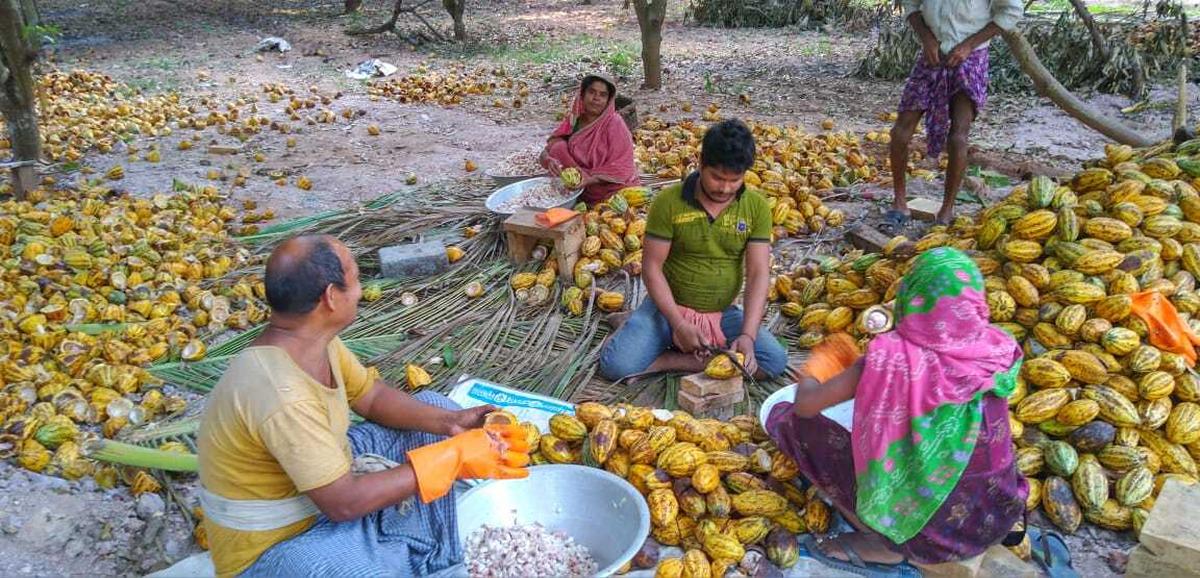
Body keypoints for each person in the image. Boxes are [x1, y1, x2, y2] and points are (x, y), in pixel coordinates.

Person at [197, 235, 529, 578]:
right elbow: (344, 503)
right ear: (330, 297)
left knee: (431, 408)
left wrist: (451, 422)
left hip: (323, 480)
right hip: (279, 543)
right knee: (360, 570)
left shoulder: (312, 342)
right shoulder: (283, 395)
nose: (361, 290)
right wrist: (450, 460)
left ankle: (411, 545)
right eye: (355, 279)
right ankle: (393, 548)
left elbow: (370, 396)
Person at [766, 247, 1027, 572]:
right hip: (993, 517)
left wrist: (818, 366)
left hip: (926, 537)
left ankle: (883, 542)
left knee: (788, 419)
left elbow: (806, 406)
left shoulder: (888, 359)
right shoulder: (996, 350)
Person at [598, 119, 787, 381]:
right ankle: (643, 324)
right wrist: (679, 323)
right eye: (717, 177)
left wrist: (747, 335)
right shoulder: (669, 202)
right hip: (668, 310)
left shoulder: (756, 207)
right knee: (616, 366)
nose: (725, 188)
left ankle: (665, 360)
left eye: (735, 180)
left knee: (773, 361)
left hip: (721, 314)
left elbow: (758, 273)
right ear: (700, 164)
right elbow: (652, 268)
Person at [884, 0, 1023, 230]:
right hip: (933, 56)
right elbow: (911, 5)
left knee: (958, 136)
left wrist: (969, 45)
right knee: (901, 130)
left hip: (970, 58)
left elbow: (1011, 11)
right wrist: (926, 38)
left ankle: (946, 211)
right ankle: (899, 203)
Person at [539, 74, 640, 206]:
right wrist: (548, 160)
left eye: (603, 95)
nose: (596, 98)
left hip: (611, 191)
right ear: (582, 94)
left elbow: (622, 167)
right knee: (558, 147)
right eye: (592, 92)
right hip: (577, 187)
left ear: (609, 101)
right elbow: (546, 152)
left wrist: (589, 179)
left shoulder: (615, 123)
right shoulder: (574, 121)